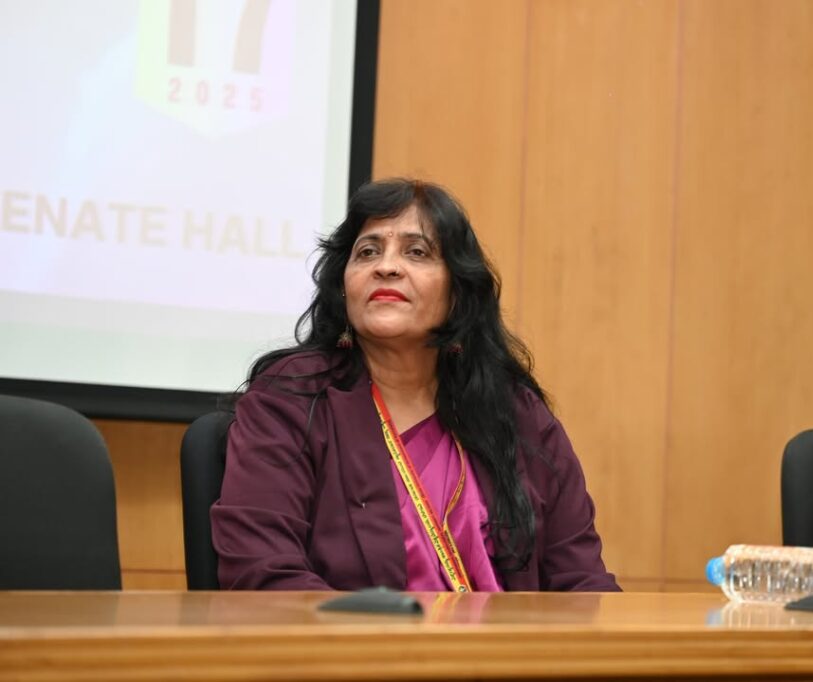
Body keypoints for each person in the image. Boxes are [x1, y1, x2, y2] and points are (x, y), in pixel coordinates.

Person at [211, 178, 619, 592]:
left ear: (457, 292)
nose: (386, 267)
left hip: (505, 636)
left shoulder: (515, 412)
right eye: (367, 252)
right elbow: (262, 572)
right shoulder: (293, 398)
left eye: (417, 252)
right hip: (350, 633)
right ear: (344, 288)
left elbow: (581, 580)